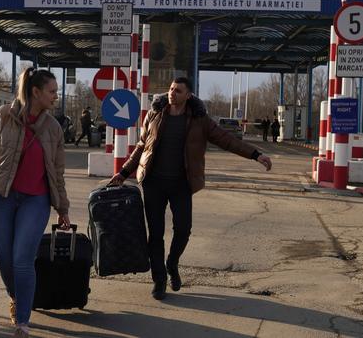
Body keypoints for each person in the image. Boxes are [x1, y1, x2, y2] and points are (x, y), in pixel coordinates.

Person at [108, 77, 272, 300]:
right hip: (153, 182)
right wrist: (124, 172)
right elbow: (141, 146)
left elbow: (226, 140)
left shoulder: (199, 119)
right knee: (155, 234)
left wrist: (256, 154)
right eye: (171, 89)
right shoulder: (155, 114)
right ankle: (159, 280)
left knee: (183, 229)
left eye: (178, 91)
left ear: (188, 95)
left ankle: (172, 263)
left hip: (182, 184)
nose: (172, 93)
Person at [0, 68, 71, 338]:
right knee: (6, 261)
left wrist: (63, 208)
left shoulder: (54, 128)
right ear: (36, 92)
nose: (56, 96)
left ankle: (22, 321)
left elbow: (57, 172)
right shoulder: (2, 117)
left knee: (23, 260)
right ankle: (16, 295)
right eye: (52, 91)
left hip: (36, 201)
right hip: (0, 201)